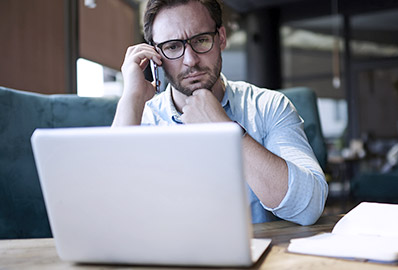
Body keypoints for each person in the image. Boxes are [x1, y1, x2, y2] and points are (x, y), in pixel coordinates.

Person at [112, 0, 328, 225]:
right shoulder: (139, 120)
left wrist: (227, 130)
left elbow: (308, 208)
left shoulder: (268, 106)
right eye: (173, 47)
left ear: (221, 38)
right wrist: (132, 99)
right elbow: (109, 215)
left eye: (201, 40)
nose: (190, 60)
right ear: (156, 56)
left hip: (259, 256)